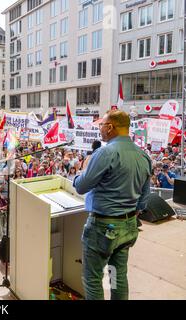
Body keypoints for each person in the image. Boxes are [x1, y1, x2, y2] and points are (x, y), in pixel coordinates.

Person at [73, 110, 151, 300]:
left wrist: (81, 171)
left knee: (93, 279)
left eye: (101, 125)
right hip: (128, 226)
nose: (100, 129)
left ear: (110, 127)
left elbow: (81, 186)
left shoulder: (105, 153)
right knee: (117, 275)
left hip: (102, 228)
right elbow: (144, 198)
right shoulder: (143, 156)